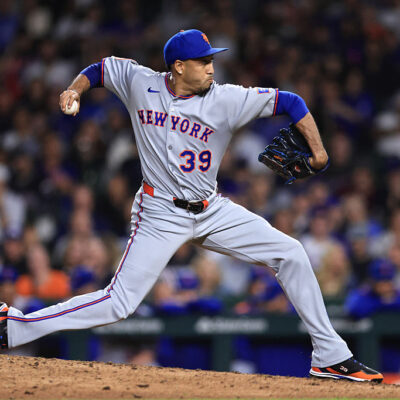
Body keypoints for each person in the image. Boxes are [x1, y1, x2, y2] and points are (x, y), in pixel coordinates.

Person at [0, 29, 383, 382]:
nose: (211, 68)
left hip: (212, 209)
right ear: (179, 67)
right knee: (119, 303)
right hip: (159, 213)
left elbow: (292, 101)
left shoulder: (228, 99)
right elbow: (101, 69)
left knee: (292, 252)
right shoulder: (141, 82)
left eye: (211, 59)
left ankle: (330, 354)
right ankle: (15, 327)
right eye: (204, 61)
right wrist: (74, 90)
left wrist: (318, 155)